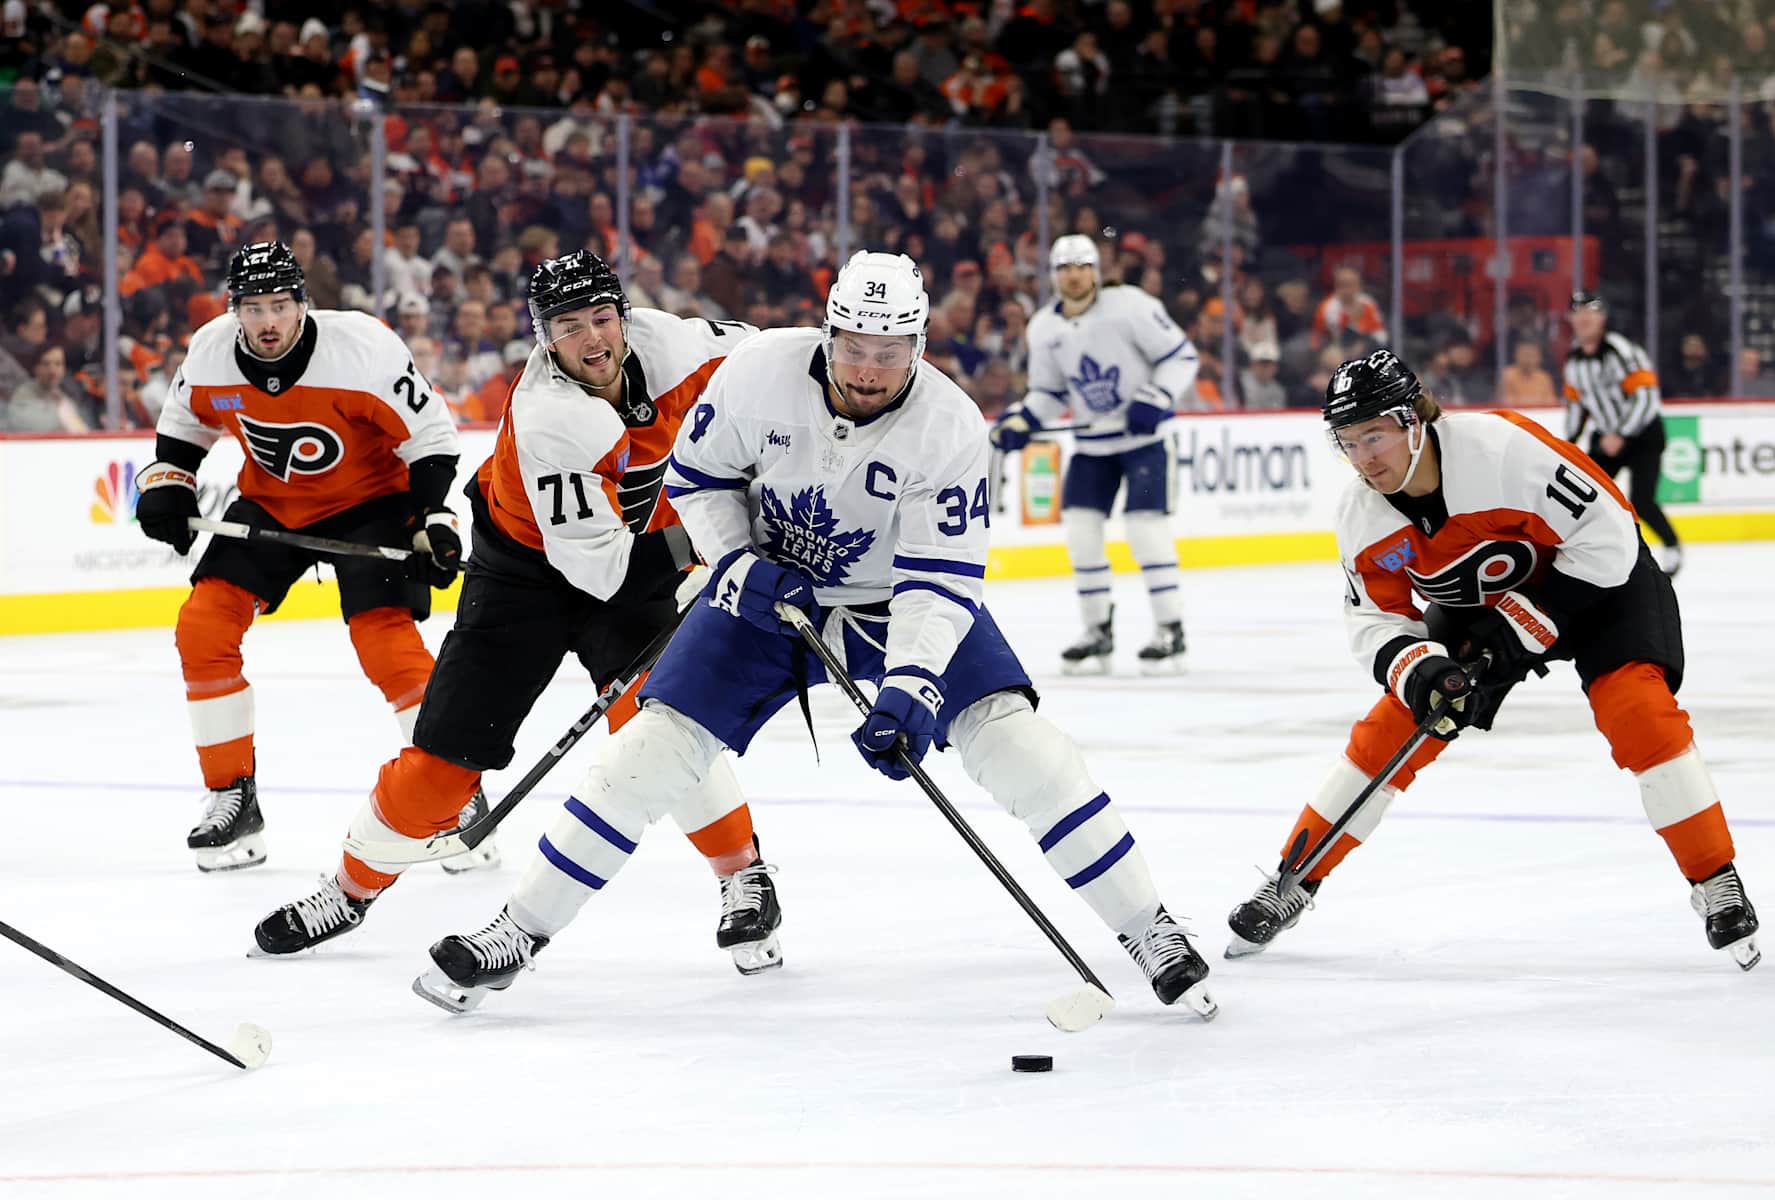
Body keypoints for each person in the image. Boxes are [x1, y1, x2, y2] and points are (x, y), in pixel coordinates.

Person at [415, 251, 1218, 1018]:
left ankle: (1148, 927)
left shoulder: (950, 426)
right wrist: (733, 563)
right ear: (828, 333)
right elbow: (699, 482)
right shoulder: (758, 373)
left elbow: (939, 582)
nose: (870, 368)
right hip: (766, 596)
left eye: (892, 349)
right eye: (855, 346)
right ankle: (516, 932)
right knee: (647, 752)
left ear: (921, 344)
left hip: (892, 601)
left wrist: (909, 685)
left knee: (1021, 749)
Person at [250, 251, 785, 974]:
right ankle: (347, 891)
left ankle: (743, 873)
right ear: (543, 336)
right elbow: (606, 576)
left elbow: (787, 369)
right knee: (439, 770)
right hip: (529, 574)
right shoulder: (552, 417)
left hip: (636, 552)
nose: (593, 339)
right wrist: (718, 537)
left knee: (665, 728)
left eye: (603, 318)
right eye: (570, 326)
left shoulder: (687, 347)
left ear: (624, 314)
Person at [1223, 351, 1760, 972]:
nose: (1364, 456)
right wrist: (1419, 667)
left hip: (1598, 587)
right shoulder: (1362, 516)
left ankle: (1715, 878)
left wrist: (1526, 626)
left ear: (1414, 420)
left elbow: (1609, 533)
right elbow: (1374, 619)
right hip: (1483, 610)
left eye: (1375, 434)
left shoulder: (1502, 451)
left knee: (1640, 713)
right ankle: (1295, 879)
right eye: (1348, 440)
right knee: (1395, 726)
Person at [132, 241, 467, 872]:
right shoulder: (209, 352)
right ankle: (231, 797)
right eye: (252, 306)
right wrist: (169, 485)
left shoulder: (362, 348)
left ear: (303, 305)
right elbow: (183, 429)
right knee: (202, 626)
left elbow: (432, 438)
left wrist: (428, 517)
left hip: (372, 501)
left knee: (386, 644)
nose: (266, 321)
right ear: (233, 309)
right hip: (273, 502)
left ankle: (452, 795)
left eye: (279, 305)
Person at [990, 234, 1200, 675]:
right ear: (1053, 275)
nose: (1074, 274)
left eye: (1082, 265)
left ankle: (1170, 628)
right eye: (1065, 267)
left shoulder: (1131, 306)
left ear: (1096, 270)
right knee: (1082, 533)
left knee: (1146, 530)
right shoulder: (1043, 328)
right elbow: (1047, 392)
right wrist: (1026, 419)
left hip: (1144, 440)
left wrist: (1155, 396)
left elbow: (1181, 357)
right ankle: (1097, 629)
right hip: (1093, 446)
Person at [1562, 291, 1682, 575]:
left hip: (1642, 436)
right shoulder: (1574, 361)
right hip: (1606, 439)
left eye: (1590, 313)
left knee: (1642, 500)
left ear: (1602, 318)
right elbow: (1577, 406)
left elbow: (1646, 397)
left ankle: (1672, 545)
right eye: (1578, 314)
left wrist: (1622, 434)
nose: (1584, 319)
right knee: (1586, 497)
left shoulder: (1622, 350)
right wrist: (1566, 445)